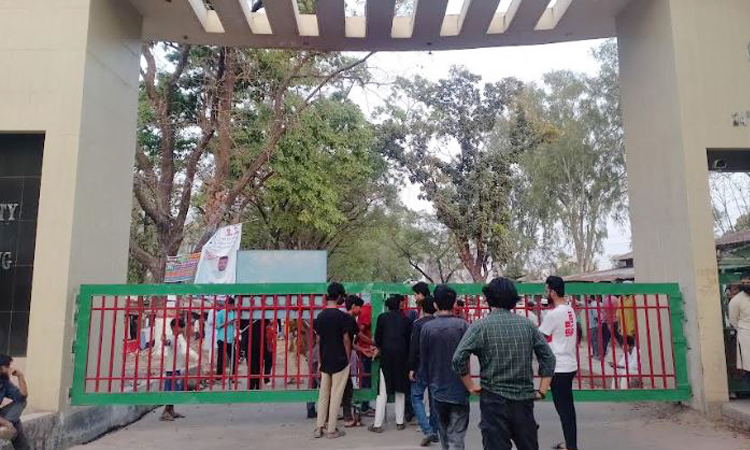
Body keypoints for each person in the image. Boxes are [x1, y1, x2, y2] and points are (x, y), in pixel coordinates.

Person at [453, 277, 556, 450]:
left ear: (489, 299)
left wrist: (470, 386)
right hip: (523, 400)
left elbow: (458, 359)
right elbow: (549, 358)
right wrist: (542, 390)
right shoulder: (527, 325)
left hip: (493, 401)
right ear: (513, 300)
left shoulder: (480, 326)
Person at [421, 286, 470, 450]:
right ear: (454, 303)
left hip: (437, 388)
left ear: (435, 304)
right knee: (457, 434)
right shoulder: (463, 326)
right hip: (460, 387)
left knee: (443, 432)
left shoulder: (427, 328)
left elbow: (424, 358)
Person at [539, 276, 578, 450]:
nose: (546, 294)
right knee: (567, 409)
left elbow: (539, 337)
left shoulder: (554, 314)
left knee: (564, 411)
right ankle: (570, 443)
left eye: (547, 290)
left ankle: (571, 446)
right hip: (569, 364)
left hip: (559, 367)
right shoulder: (569, 310)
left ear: (553, 292)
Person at [313, 282, 355, 439]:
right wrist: (348, 358)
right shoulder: (343, 317)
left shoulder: (320, 316)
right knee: (336, 395)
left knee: (323, 395)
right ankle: (331, 430)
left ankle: (319, 428)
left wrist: (320, 361)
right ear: (338, 297)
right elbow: (346, 340)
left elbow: (318, 341)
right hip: (340, 360)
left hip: (325, 360)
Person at [369, 294, 413, 433]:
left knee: (382, 391)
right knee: (400, 390)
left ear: (387, 306)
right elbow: (409, 341)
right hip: (402, 358)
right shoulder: (406, 320)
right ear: (399, 305)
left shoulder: (382, 318)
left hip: (386, 357)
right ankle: (400, 422)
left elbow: (378, 339)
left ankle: (377, 424)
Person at [409, 294, 439, 446]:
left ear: (421, 308)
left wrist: (411, 368)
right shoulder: (439, 323)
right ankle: (434, 430)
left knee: (416, 396)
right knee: (434, 399)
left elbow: (414, 348)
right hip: (436, 366)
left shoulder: (418, 324)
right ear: (435, 307)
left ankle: (427, 430)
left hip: (421, 365)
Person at [161, 318, 198, 421]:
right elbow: (167, 343)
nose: (183, 329)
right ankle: (165, 412)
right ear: (174, 327)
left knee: (175, 390)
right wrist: (164, 341)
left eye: (183, 327)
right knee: (171, 391)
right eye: (181, 327)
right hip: (171, 370)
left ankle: (171, 410)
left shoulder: (178, 339)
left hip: (177, 368)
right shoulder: (172, 338)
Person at [341, 295, 364, 427]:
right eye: (359, 307)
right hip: (343, 359)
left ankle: (345, 417)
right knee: (346, 389)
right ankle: (347, 418)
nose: (360, 310)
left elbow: (350, 342)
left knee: (345, 387)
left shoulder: (343, 318)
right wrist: (373, 343)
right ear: (354, 306)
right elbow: (358, 336)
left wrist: (362, 349)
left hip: (338, 357)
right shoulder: (350, 319)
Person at [0, 355, 28, 450]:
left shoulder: (3, 382)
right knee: (14, 423)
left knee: (21, 402)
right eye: (7, 366)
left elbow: (22, 396)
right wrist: (7, 423)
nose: (10, 368)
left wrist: (20, 376)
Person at [728, 272, 750, 391]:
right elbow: (733, 320)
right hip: (746, 337)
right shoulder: (736, 300)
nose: (746, 285)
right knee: (748, 367)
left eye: (748, 282)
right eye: (743, 283)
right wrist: (744, 329)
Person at [357, 301, 376, 416]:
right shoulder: (368, 310)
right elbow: (359, 331)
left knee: (367, 377)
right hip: (367, 350)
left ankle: (365, 404)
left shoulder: (367, 308)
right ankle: (364, 406)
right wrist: (371, 342)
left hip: (367, 349)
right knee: (366, 378)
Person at [214, 297, 237, 378]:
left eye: (233, 305)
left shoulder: (233, 313)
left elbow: (235, 325)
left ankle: (233, 375)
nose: (232, 306)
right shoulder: (220, 313)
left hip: (230, 339)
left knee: (233, 357)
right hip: (222, 338)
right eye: (231, 305)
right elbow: (217, 326)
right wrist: (228, 322)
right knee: (221, 358)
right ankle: (219, 375)